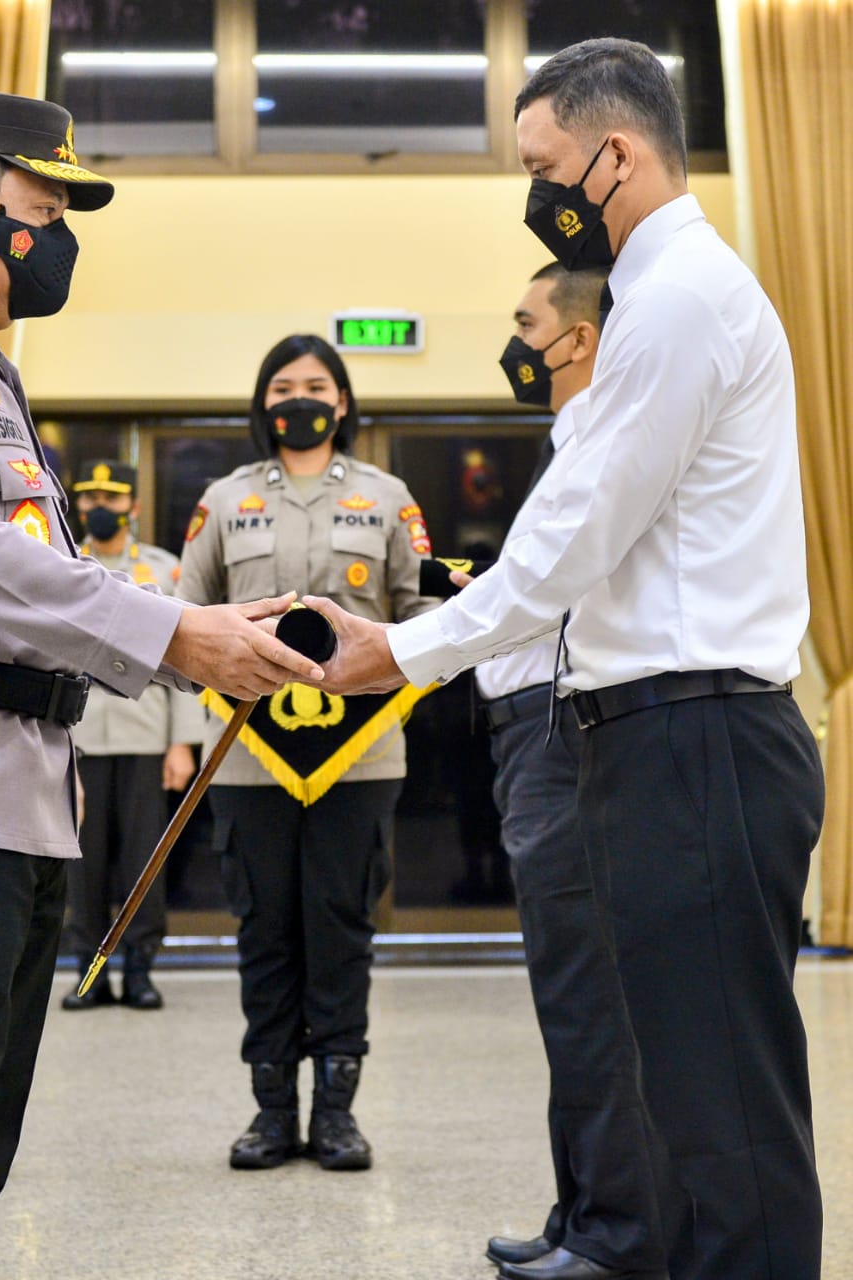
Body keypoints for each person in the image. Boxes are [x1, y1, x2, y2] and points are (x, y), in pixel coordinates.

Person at [299, 39, 823, 1280]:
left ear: (615, 155)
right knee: (682, 1101)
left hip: (696, 737)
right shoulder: (660, 298)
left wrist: (402, 650)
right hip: (660, 739)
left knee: (725, 1117)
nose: (536, 196)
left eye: (543, 169)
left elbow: (574, 543)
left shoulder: (678, 299)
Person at [0, 88, 322, 1280]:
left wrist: (178, 634)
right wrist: (176, 634)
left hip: (2, 805)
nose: (58, 240)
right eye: (44, 210)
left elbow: (33, 579)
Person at [177, 333, 437, 1172]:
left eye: (317, 386)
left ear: (343, 402)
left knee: (341, 924)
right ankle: (270, 1111)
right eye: (284, 385)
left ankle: (336, 1113)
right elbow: (186, 617)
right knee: (265, 930)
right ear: (263, 402)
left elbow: (424, 619)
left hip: (361, 753)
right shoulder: (224, 500)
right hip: (247, 756)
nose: (301, 399)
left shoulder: (387, 498)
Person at [476, 263, 674, 1280]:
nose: (515, 343)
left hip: (562, 733)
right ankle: (582, 1210)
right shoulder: (572, 437)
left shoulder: (600, 433)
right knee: (568, 994)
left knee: (589, 994)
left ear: (579, 337)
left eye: (526, 323)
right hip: (531, 733)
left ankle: (617, 1234)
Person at [61, 459, 204, 1011]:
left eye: (112, 499)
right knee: (83, 862)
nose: (99, 508)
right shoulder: (60, 563)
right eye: (90, 498)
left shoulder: (162, 570)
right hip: (77, 738)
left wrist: (182, 742)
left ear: (133, 507)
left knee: (145, 859)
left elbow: (184, 660)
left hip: (147, 737)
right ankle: (88, 971)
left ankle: (141, 968)